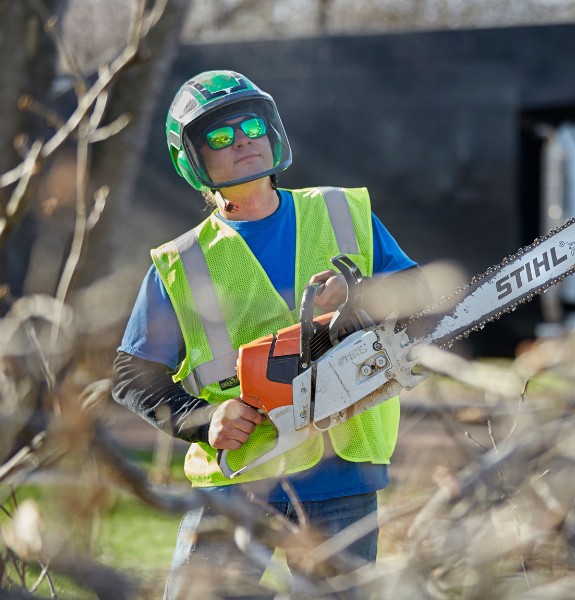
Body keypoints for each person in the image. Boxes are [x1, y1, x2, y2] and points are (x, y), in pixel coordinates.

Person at [111, 70, 428, 599]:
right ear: (192, 157)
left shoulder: (340, 210)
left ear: (272, 130)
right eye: (219, 136)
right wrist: (202, 419)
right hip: (238, 482)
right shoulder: (181, 262)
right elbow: (132, 372)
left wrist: (362, 294)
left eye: (251, 125)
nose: (242, 140)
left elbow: (419, 292)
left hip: (343, 474)